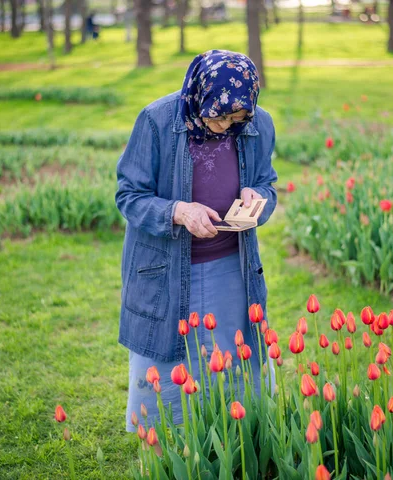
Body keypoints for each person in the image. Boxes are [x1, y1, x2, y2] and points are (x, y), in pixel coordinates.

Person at [115, 50, 278, 432]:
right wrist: (178, 211)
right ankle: (171, 446)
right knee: (170, 359)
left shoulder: (259, 124)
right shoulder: (156, 121)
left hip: (231, 268)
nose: (226, 126)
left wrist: (260, 198)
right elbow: (129, 196)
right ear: (199, 94)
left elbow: (267, 182)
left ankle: (235, 437)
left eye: (237, 118)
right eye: (219, 115)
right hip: (166, 269)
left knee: (234, 358)